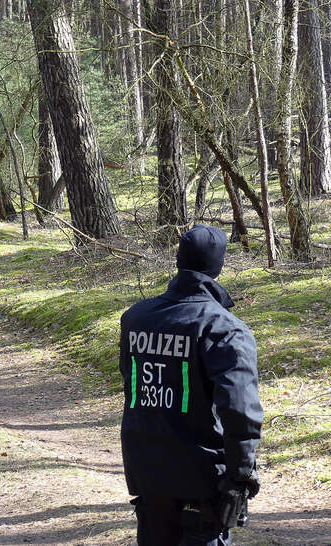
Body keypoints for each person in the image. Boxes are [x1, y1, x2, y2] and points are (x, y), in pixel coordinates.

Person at [120, 225, 262, 546]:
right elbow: (240, 411)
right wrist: (240, 475)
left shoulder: (135, 319)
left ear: (178, 260)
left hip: (147, 472)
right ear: (219, 267)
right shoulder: (225, 329)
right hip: (202, 482)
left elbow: (134, 388)